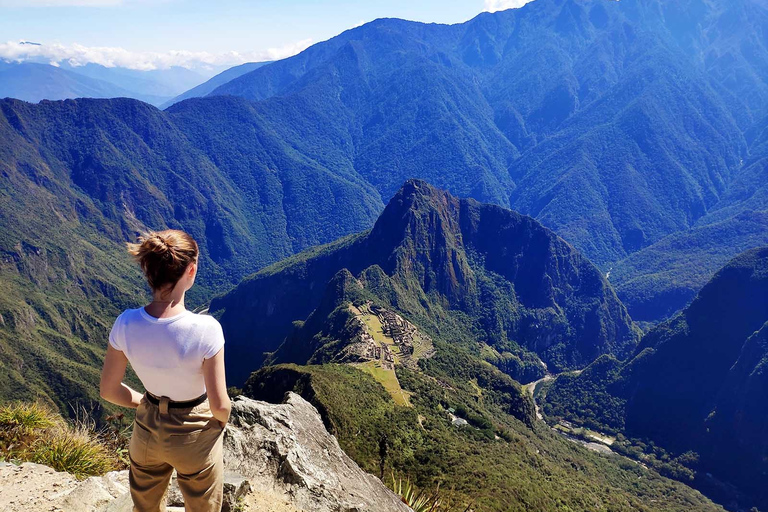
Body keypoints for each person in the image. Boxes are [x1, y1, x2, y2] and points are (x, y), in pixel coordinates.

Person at [99, 229, 231, 512]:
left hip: (147, 430)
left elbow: (109, 390)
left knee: (145, 507)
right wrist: (219, 424)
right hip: (194, 431)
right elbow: (220, 405)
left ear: (149, 271)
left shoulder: (126, 323)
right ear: (191, 271)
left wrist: (146, 404)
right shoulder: (207, 330)